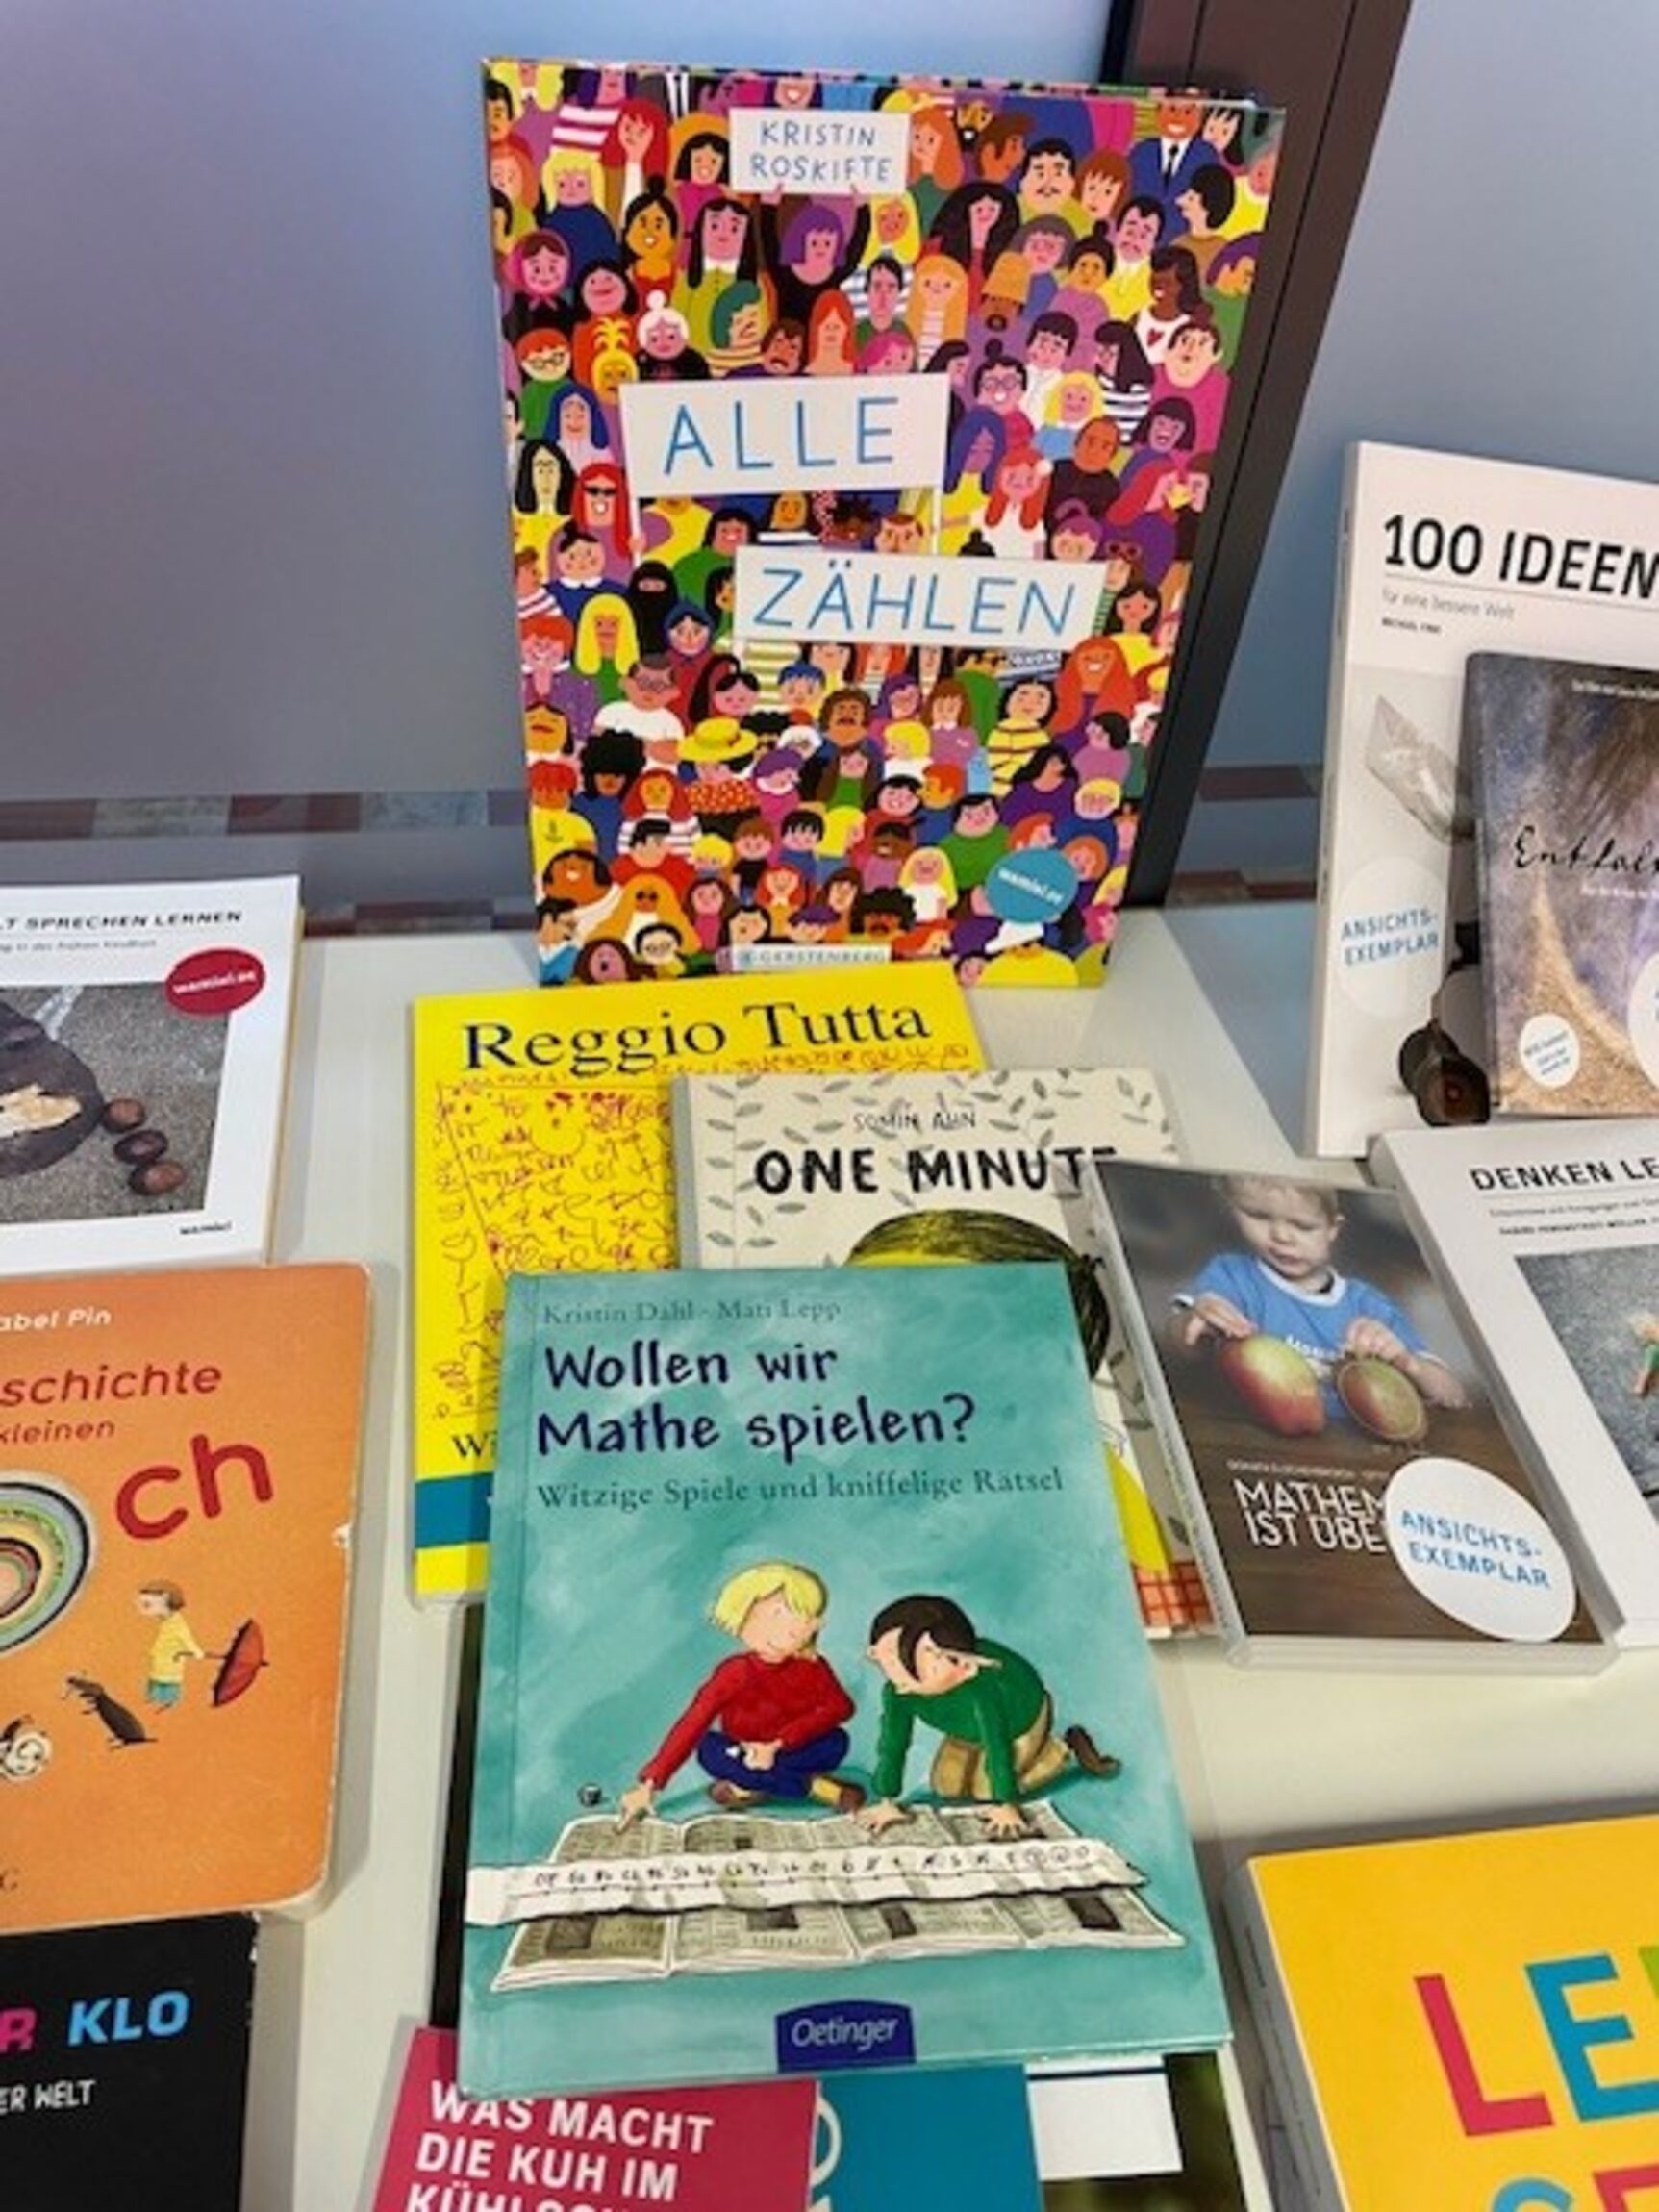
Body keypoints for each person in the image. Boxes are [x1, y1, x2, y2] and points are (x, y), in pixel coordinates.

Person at [1170, 1174, 1469, 1413]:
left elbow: (1454, 1397)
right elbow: (1177, 1344)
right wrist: (1195, 1322)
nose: (1282, 1236)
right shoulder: (1231, 1276)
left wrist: (1406, 1362)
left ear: (1332, 1229)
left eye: (1303, 1226)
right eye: (1259, 1216)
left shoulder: (1369, 1305)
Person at [616, 1561, 864, 1822]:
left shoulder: (813, 1667)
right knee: (708, 1748)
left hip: (793, 1751)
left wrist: (778, 1743)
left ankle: (747, 1786)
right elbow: (695, 1720)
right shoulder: (735, 1671)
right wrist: (650, 1783)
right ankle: (816, 1788)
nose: (777, 1626)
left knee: (836, 1741)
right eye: (764, 1615)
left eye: (790, 1614)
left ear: (812, 1625)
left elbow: (841, 1707)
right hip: (744, 1754)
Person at [856, 1594, 1118, 1839]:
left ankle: (1062, 1748)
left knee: (987, 1790)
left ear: (964, 1665)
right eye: (884, 1658)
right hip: (965, 1728)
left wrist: (1007, 1804)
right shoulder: (899, 1689)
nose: (897, 1671)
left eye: (910, 1660)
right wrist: (887, 1800)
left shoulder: (983, 1689)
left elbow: (997, 1742)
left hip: (1019, 1721)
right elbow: (893, 1742)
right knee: (946, 1786)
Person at [137, 1580, 205, 1708]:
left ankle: (166, 1703)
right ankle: (156, 1701)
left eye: (147, 1604)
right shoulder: (166, 1621)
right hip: (160, 1663)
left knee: (166, 1686)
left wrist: (196, 1652)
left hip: (169, 1665)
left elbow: (187, 1639)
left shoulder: (177, 1624)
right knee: (156, 1684)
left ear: (165, 1598)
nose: (143, 1609)